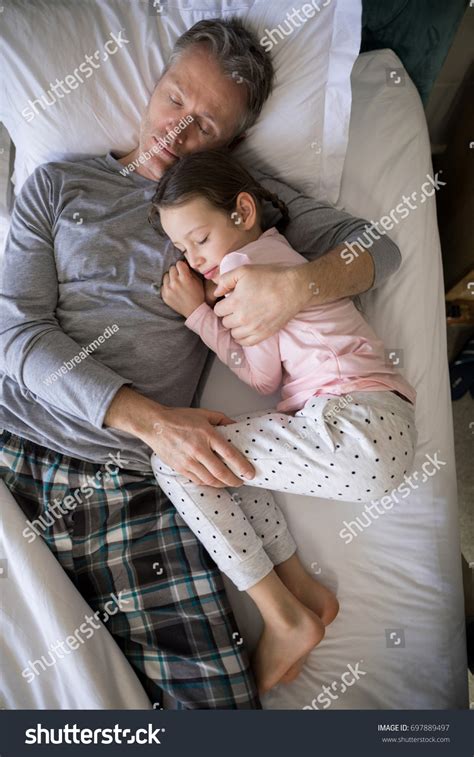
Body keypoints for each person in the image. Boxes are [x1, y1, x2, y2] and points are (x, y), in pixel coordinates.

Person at [0, 17, 403, 709]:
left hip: (135, 481)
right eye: (175, 99)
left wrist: (295, 286)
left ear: (231, 145)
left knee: (217, 710)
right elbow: (15, 335)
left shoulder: (231, 195)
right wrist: (153, 421)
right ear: (156, 83)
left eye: (206, 125)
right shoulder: (59, 186)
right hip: (19, 445)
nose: (177, 132)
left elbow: (376, 250)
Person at [148, 149, 417, 693]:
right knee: (222, 459)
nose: (194, 257)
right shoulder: (277, 252)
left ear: (242, 211)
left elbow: (261, 375)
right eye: (181, 247)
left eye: (199, 239)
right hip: (376, 425)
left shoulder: (243, 270)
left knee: (177, 460)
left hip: (354, 423)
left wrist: (197, 313)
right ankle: (304, 592)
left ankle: (284, 618)